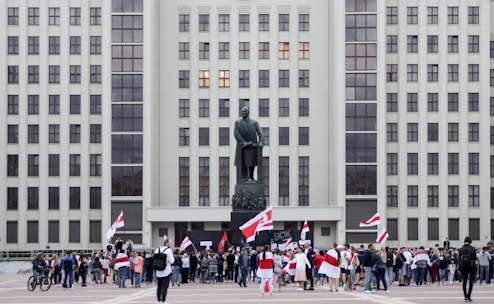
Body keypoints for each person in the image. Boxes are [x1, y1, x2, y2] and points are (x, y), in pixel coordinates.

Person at [234, 107, 264, 182]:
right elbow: (236, 134)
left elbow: (260, 132)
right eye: (242, 111)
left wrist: (261, 142)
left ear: (248, 112)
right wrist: (244, 142)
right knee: (243, 161)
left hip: (252, 145)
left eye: (244, 111)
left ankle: (251, 176)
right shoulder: (237, 122)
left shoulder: (254, 122)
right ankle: (244, 177)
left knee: (252, 162)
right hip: (242, 146)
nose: (243, 113)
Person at [155, 236, 174, 304]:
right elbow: (172, 261)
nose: (171, 244)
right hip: (166, 271)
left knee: (159, 286)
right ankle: (163, 301)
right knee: (165, 286)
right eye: (170, 243)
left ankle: (158, 301)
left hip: (158, 271)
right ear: (167, 243)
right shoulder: (168, 250)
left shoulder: (157, 249)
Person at [459, 236, 477, 302]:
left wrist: (459, 267)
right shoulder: (473, 249)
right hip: (471, 265)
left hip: (463, 266)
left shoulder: (461, 249)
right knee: (471, 281)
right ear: (470, 241)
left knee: (464, 281)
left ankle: (465, 296)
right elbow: (474, 258)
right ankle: (469, 296)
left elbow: (459, 259)